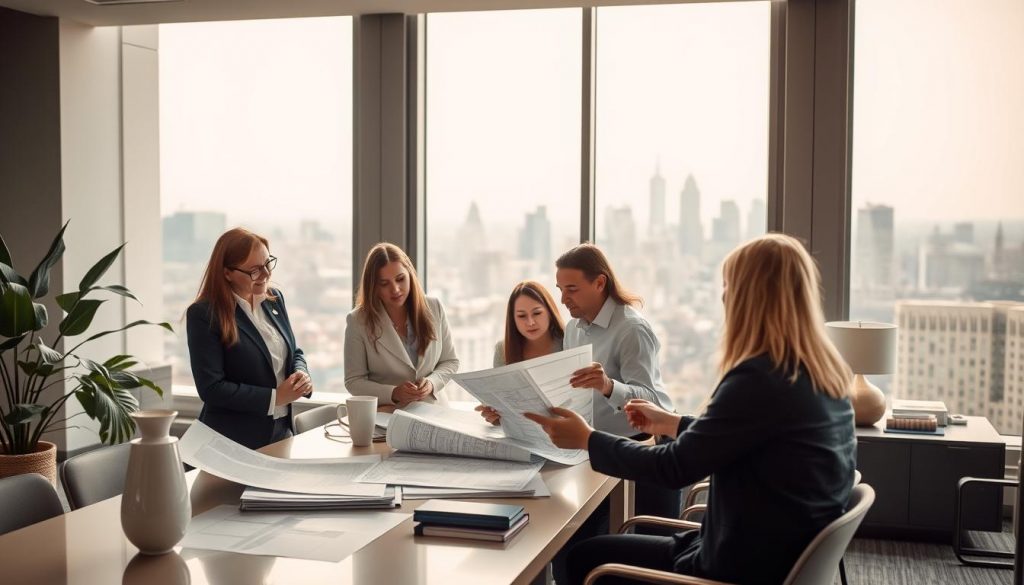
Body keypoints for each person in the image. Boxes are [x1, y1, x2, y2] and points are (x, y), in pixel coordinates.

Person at [525, 233, 856, 585]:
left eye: (729, 285)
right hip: (770, 552)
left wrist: (588, 440)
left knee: (584, 559)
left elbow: (673, 467)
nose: (724, 296)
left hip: (732, 566)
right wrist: (674, 423)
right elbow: (744, 434)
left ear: (751, 297)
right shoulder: (819, 374)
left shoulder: (757, 378)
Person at [186, 228, 312, 450]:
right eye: (254, 270)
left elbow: (294, 350)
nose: (265, 274)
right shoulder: (204, 314)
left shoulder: (274, 299)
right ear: (227, 273)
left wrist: (301, 373)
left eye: (267, 264)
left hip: (282, 432)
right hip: (233, 441)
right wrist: (274, 398)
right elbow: (211, 388)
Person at [344, 242, 459, 407]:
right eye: (384, 284)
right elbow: (354, 381)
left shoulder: (434, 307)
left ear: (410, 275)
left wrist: (432, 383)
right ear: (374, 287)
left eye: (400, 279)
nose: (395, 289)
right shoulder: (357, 321)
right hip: (390, 415)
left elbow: (450, 361)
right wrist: (393, 393)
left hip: (436, 413)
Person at [476, 280, 565, 425]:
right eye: (522, 316)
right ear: (513, 319)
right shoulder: (502, 349)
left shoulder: (569, 342)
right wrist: (495, 416)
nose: (530, 322)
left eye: (537, 313)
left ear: (549, 312)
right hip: (522, 433)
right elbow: (502, 404)